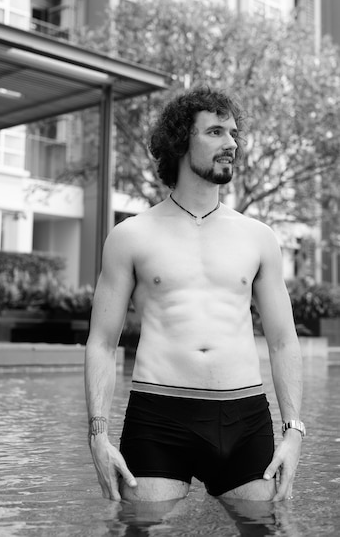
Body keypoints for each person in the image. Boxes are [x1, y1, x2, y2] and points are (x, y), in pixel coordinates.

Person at [85, 86, 304, 504]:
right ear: (181, 140)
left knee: (265, 528)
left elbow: (282, 341)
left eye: (234, 134)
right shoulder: (131, 235)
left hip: (244, 416)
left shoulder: (259, 238)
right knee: (140, 531)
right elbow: (101, 342)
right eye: (217, 132)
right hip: (158, 415)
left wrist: (294, 431)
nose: (232, 144)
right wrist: (98, 434)